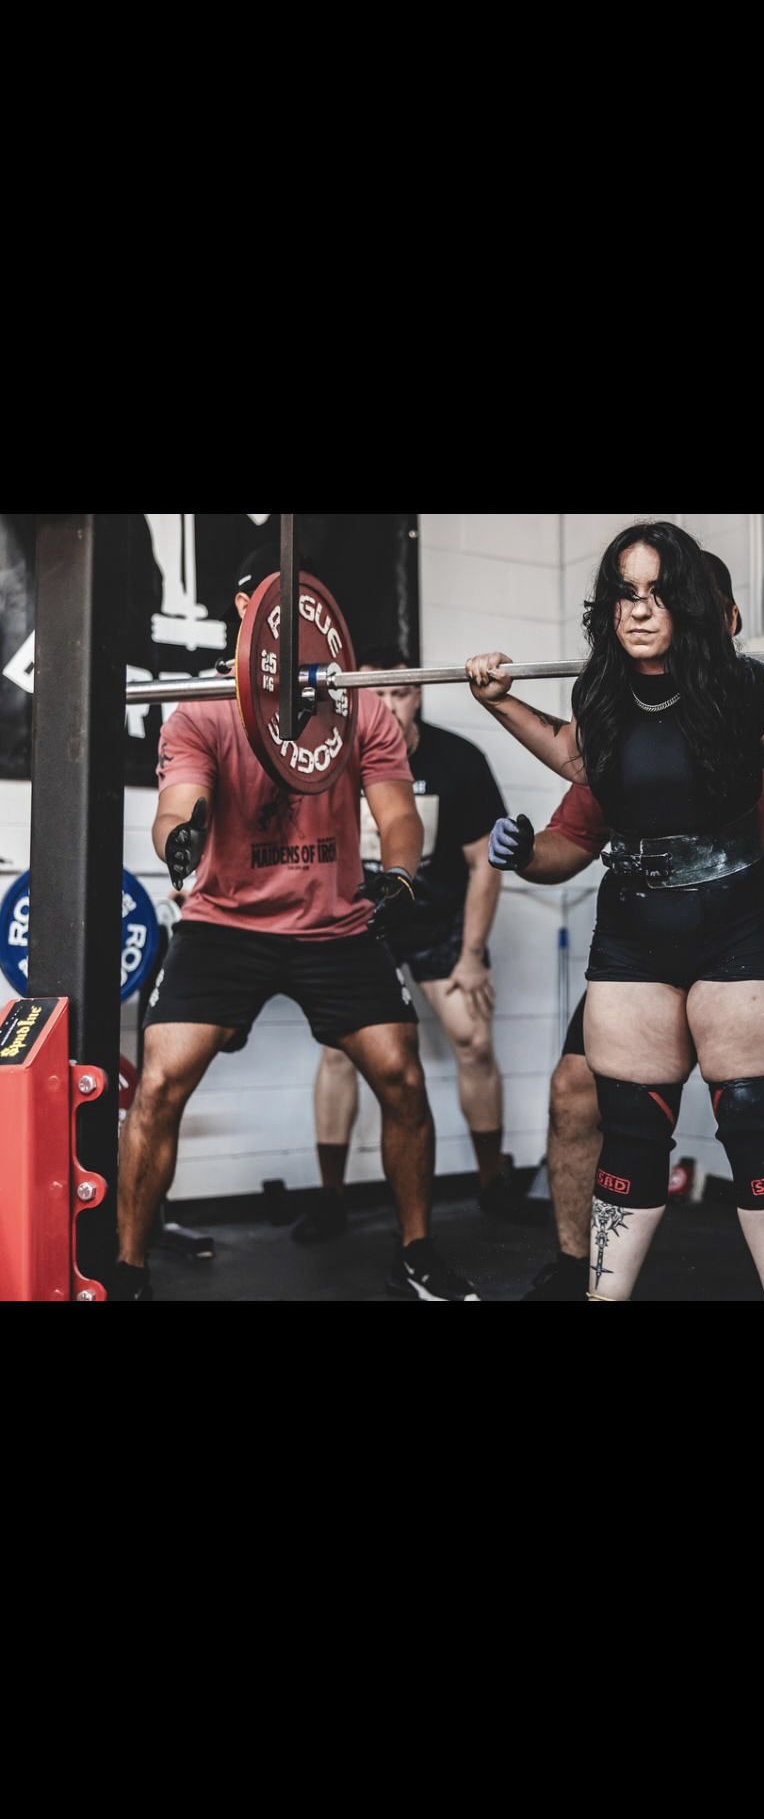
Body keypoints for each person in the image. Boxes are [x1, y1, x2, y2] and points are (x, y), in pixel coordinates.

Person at [466, 521, 764, 1303]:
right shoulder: (602, 699)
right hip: (638, 932)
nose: (640, 611)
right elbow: (575, 769)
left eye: (662, 595)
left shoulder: (758, 695)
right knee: (618, 1118)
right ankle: (584, 1282)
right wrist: (501, 713)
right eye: (627, 595)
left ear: (708, 612)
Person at [113, 545, 480, 1304]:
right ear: (245, 616)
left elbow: (399, 814)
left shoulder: (360, 706)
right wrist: (182, 836)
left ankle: (416, 1254)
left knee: (402, 1078)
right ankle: (127, 1269)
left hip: (335, 926)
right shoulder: (204, 707)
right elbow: (179, 804)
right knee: (157, 1087)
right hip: (223, 925)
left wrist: (403, 874)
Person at [293, 677, 523, 1240]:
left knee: (473, 1038)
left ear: (416, 696)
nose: (387, 705)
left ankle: (492, 1183)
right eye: (374, 694)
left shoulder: (458, 759)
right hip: (357, 924)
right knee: (339, 1054)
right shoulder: (325, 758)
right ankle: (331, 1197)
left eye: (398, 692)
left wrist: (471, 955)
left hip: (436, 920)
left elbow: (485, 864)